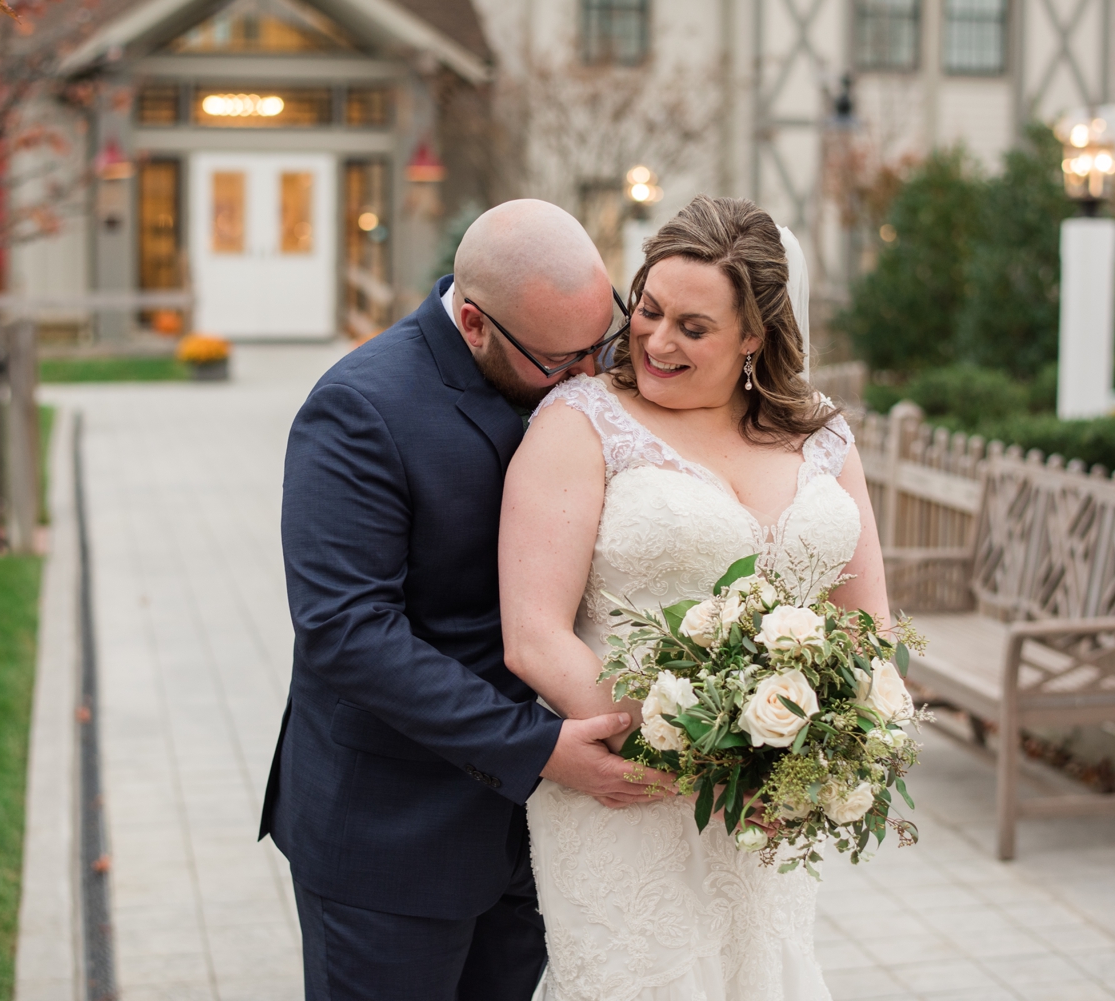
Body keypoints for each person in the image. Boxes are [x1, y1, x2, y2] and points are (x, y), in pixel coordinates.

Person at [260, 199, 673, 1001]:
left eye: (605, 341)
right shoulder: (359, 408)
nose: (592, 375)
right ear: (476, 323)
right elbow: (347, 633)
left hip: (533, 842)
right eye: (563, 359)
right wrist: (535, 746)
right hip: (390, 842)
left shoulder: (582, 377)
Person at [500, 195, 889, 1000]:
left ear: (755, 337)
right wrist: (707, 754)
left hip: (769, 816)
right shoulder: (582, 423)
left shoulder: (822, 436)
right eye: (648, 309)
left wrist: (818, 767)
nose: (656, 338)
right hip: (624, 791)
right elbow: (534, 635)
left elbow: (867, 628)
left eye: (693, 326)